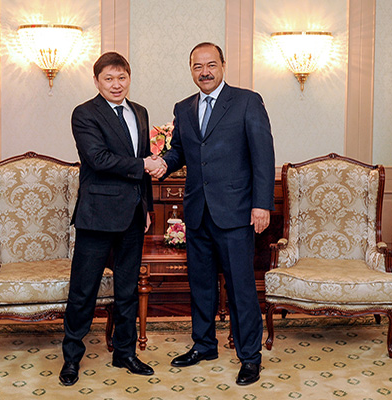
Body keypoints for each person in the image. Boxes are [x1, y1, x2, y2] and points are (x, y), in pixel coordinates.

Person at [161, 42, 275, 386]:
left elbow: (263, 155)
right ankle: (204, 345)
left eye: (211, 64)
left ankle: (250, 356)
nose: (205, 72)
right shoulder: (184, 108)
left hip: (237, 213)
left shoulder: (247, 101)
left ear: (223, 65)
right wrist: (160, 165)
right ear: (191, 70)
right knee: (201, 285)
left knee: (241, 288)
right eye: (198, 66)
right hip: (197, 213)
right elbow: (179, 152)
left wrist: (262, 204)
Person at [59, 52, 166, 386]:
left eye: (122, 77)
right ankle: (71, 358)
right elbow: (98, 158)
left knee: (127, 289)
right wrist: (144, 165)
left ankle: (125, 352)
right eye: (109, 78)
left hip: (133, 215)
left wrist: (147, 207)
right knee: (83, 290)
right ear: (96, 81)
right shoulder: (84, 113)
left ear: (129, 78)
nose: (116, 84)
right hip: (97, 215)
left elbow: (142, 162)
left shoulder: (140, 112)